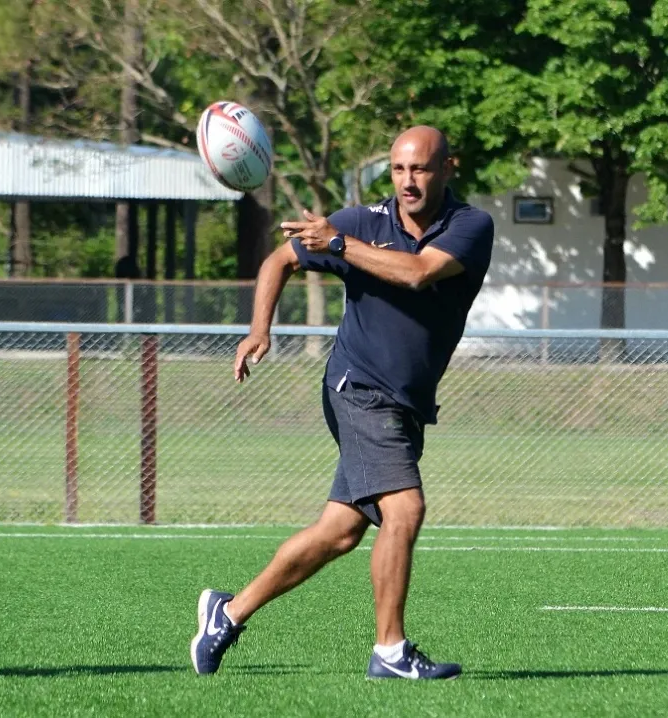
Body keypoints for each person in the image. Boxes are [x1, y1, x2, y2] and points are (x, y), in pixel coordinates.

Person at [190, 126, 494, 678]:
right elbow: (277, 261)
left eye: (421, 169)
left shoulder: (471, 226)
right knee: (405, 508)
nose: (408, 181)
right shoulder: (360, 222)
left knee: (340, 532)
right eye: (399, 170)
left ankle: (226, 614)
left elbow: (420, 271)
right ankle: (391, 652)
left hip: (405, 402)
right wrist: (260, 329)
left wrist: (336, 244)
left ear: (449, 168)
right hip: (358, 388)